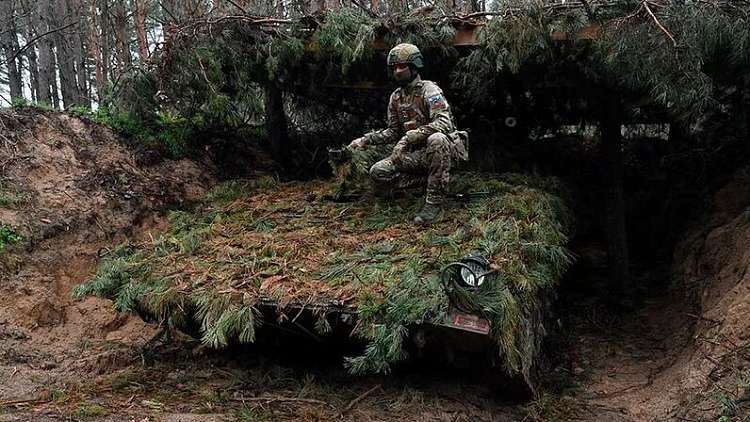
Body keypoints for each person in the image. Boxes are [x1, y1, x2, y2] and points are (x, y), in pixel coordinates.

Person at [348, 43, 468, 225]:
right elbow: (393, 131)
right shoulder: (396, 97)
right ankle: (430, 182)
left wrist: (409, 137)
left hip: (442, 151)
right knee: (378, 171)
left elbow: (443, 123)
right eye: (395, 67)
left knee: (437, 139)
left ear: (414, 67)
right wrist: (365, 140)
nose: (398, 71)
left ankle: (434, 202)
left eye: (402, 66)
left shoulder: (430, 91)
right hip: (416, 154)